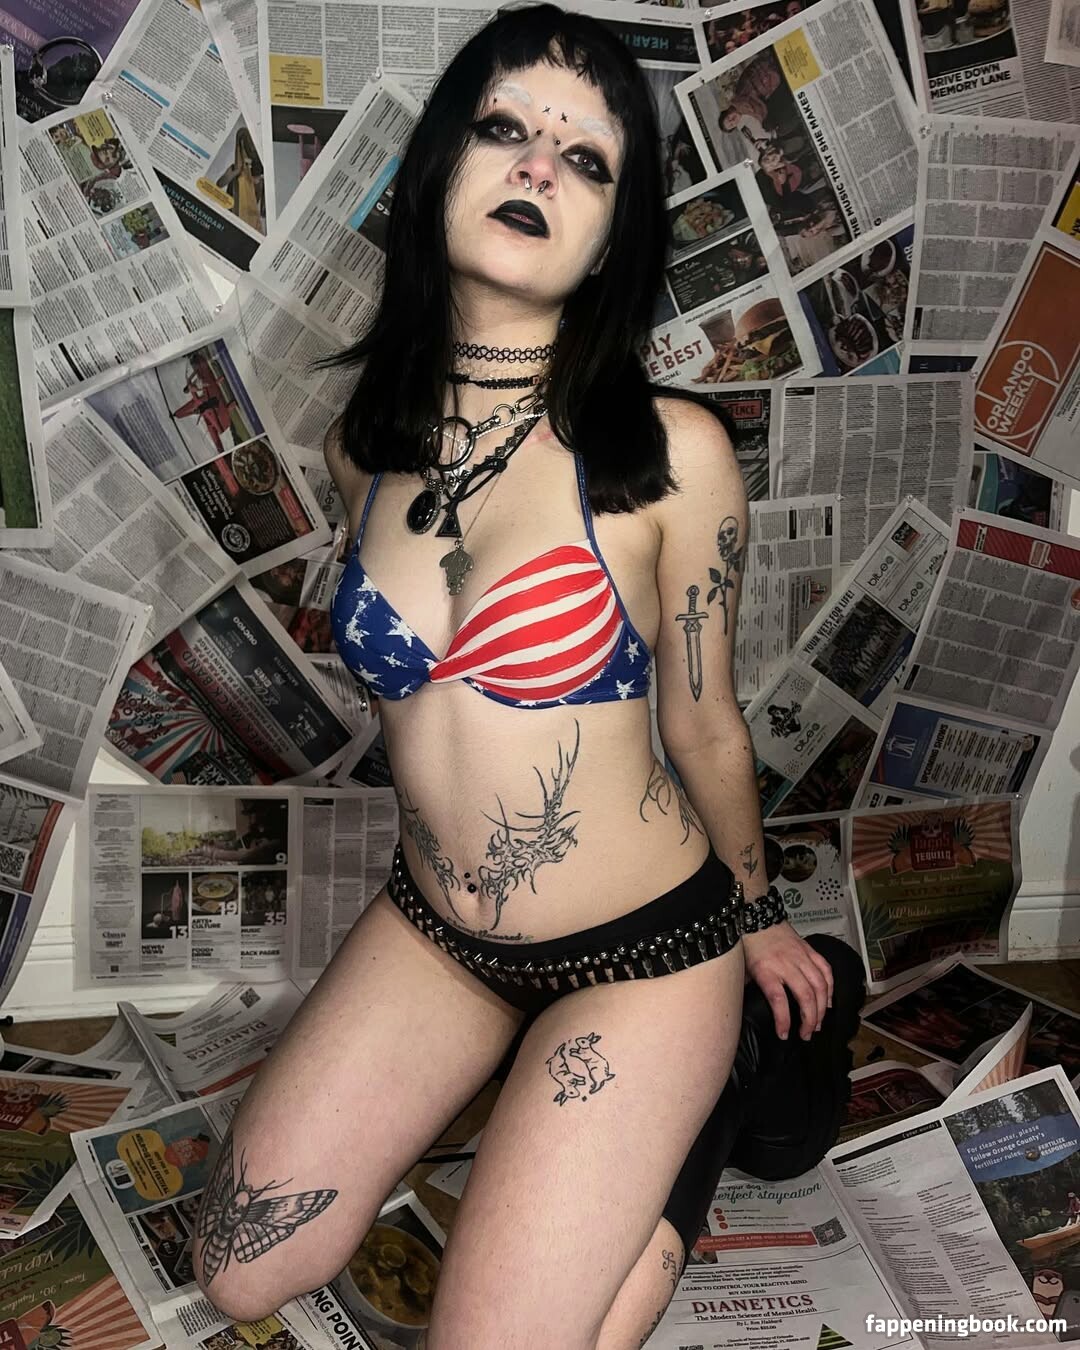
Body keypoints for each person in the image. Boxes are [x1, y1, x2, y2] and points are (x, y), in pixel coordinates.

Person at [192, 8, 862, 1344]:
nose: (540, 163)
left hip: (646, 951)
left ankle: (721, 1064)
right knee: (234, 1270)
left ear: (612, 239)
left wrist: (759, 918)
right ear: (441, 167)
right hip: (438, 932)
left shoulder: (670, 454)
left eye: (588, 158)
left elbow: (704, 725)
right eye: (505, 127)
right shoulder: (359, 450)